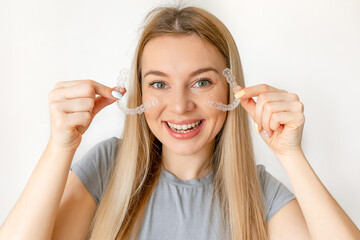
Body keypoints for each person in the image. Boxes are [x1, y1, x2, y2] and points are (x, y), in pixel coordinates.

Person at [0, 5, 359, 240]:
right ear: (138, 93)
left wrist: (291, 154)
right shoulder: (107, 168)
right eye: (159, 84)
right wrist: (59, 147)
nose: (181, 106)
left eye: (201, 82)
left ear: (234, 88)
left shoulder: (260, 196)